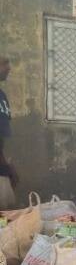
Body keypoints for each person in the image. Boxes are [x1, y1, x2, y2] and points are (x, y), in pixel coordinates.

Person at [0, 56, 17, 209]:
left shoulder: (2, 96)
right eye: (4, 64)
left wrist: (8, 166)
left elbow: (3, 137)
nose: (9, 68)